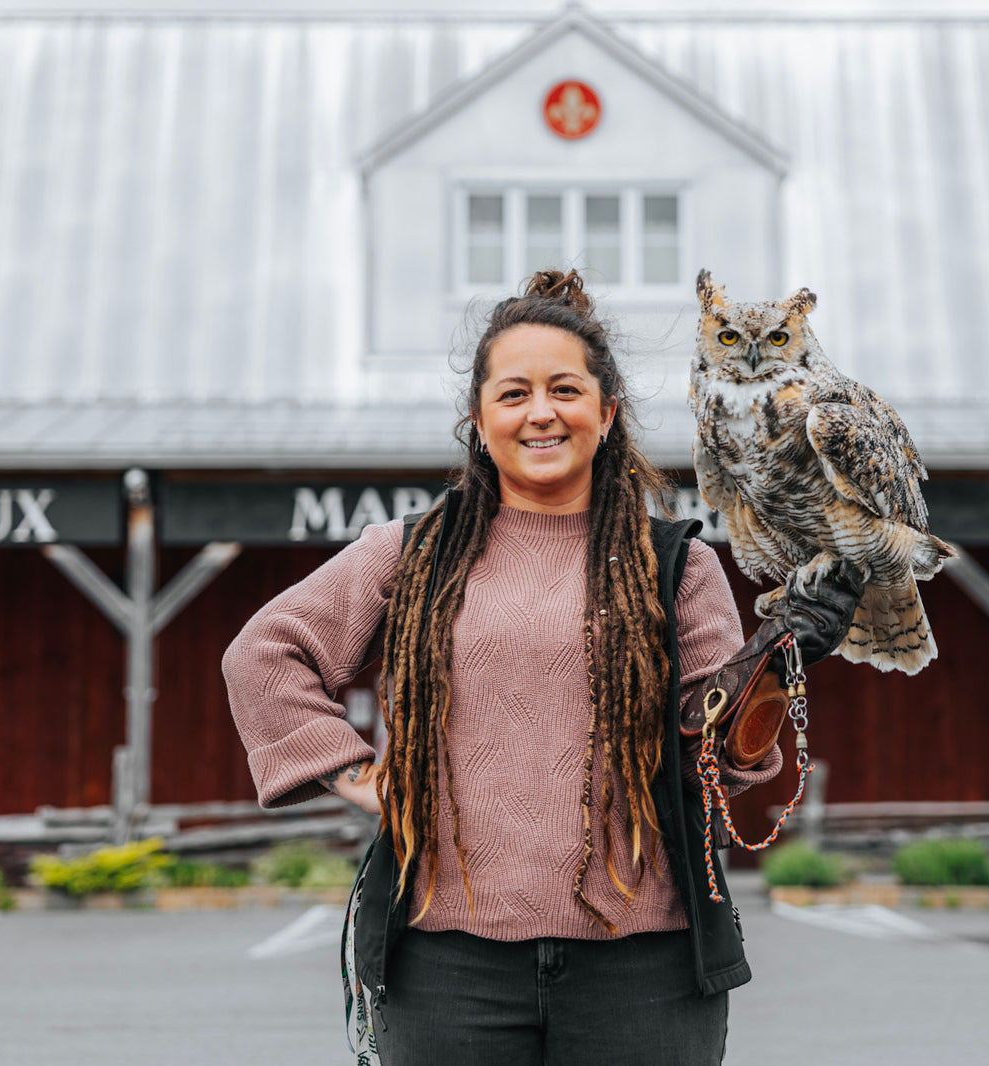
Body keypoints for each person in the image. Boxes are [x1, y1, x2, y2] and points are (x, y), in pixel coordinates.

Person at [223, 269, 859, 1065]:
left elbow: (716, 761)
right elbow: (264, 653)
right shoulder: (410, 553)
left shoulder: (676, 566)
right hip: (444, 961)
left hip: (646, 965)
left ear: (607, 412)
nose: (541, 412)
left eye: (564, 389)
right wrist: (359, 776)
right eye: (513, 393)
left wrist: (777, 669)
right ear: (479, 419)